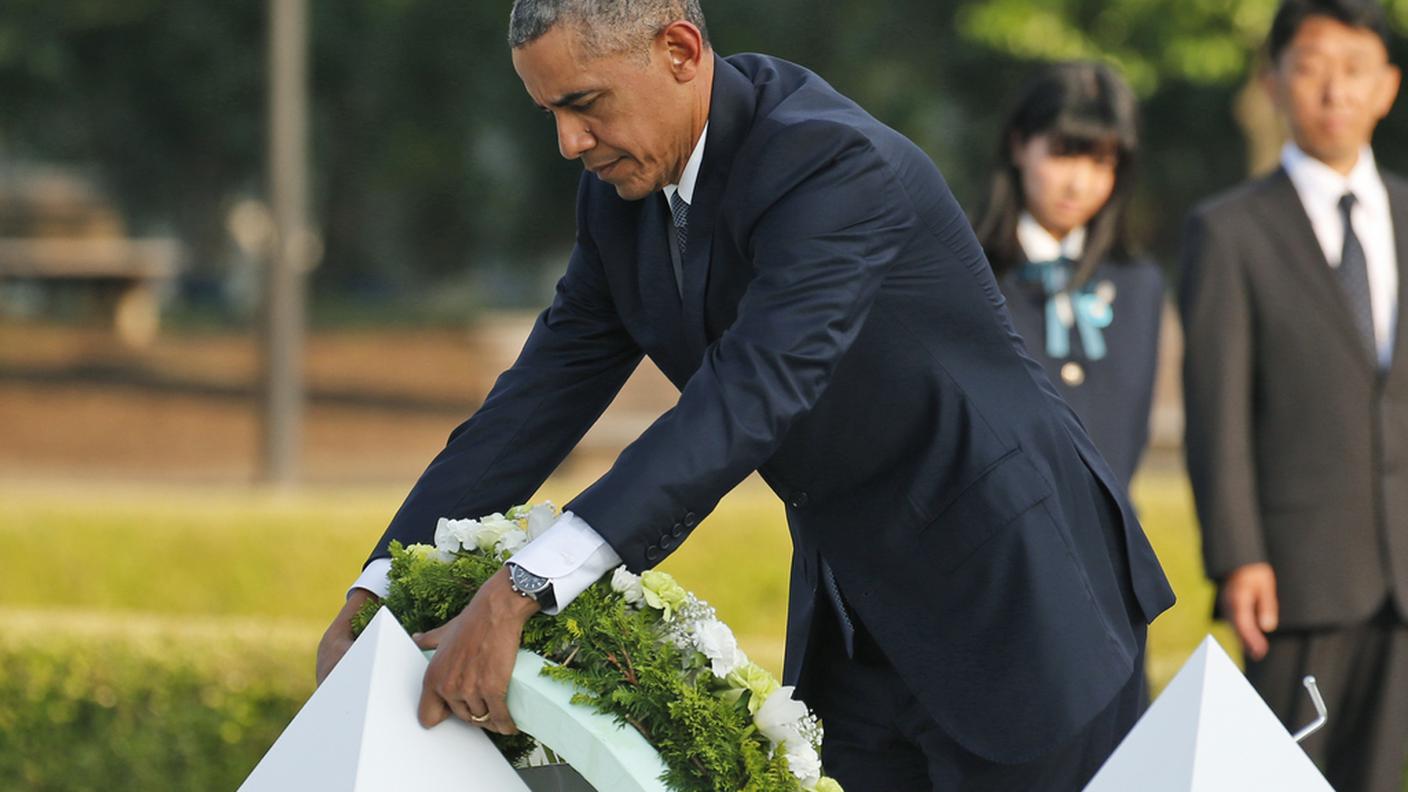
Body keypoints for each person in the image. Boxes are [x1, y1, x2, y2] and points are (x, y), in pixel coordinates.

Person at [318, 1, 1175, 788]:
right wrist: (378, 589)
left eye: (586, 104)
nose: (570, 143)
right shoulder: (618, 198)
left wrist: (521, 589)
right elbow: (529, 405)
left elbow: (750, 396)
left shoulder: (832, 162)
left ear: (680, 49)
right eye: (551, 115)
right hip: (857, 625)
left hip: (1021, 598)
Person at [1180, 0, 1408, 788]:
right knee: (1282, 777)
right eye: (1311, 68)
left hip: (1402, 574)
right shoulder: (1230, 231)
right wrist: (1238, 554)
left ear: (1388, 88)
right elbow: (1218, 410)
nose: (1333, 91)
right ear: (1274, 81)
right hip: (1294, 578)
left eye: (1355, 71)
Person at [975, 62, 1163, 491]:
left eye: (1102, 162)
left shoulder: (1138, 284)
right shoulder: (968, 272)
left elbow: (1129, 436)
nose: (1080, 183)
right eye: (1064, 154)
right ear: (1019, 144)